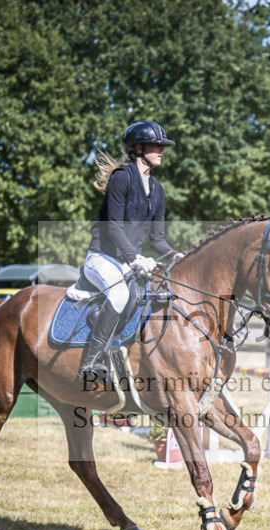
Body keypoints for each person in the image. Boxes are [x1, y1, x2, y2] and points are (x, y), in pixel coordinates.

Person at [79, 120, 182, 377]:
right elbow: (114, 228)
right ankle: (90, 363)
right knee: (119, 296)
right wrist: (135, 258)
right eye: (155, 145)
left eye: (163, 146)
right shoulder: (121, 178)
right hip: (102, 258)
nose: (161, 150)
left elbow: (157, 240)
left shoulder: (157, 191)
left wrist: (177, 256)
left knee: (159, 293)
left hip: (128, 262)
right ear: (138, 148)